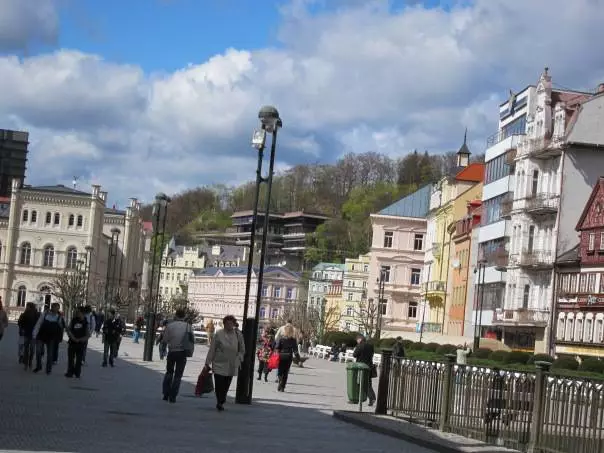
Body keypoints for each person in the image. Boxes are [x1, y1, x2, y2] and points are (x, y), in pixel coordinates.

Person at [204, 315, 245, 411]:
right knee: (219, 383)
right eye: (227, 323)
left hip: (231, 363)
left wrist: (239, 358)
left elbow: (242, 349)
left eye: (231, 323)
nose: (229, 325)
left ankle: (222, 397)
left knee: (226, 383)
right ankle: (219, 400)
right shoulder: (218, 334)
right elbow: (212, 349)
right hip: (219, 362)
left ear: (234, 324)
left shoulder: (238, 334)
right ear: (224, 324)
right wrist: (207, 362)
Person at [160, 308, 192, 403]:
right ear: (184, 316)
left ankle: (166, 393)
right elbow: (191, 340)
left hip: (172, 352)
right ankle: (173, 396)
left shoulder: (170, 326)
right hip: (182, 353)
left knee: (169, 372)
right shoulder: (188, 326)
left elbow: (165, 340)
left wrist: (163, 350)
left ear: (176, 315)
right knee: (178, 375)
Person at [33, 303, 65, 374]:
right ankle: (39, 366)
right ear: (52, 307)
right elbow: (39, 323)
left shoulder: (59, 317)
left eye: (57, 308)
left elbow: (61, 328)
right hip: (41, 335)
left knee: (50, 354)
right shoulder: (45, 314)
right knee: (38, 351)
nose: (56, 310)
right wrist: (34, 334)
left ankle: (48, 369)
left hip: (51, 337)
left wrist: (60, 337)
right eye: (55, 308)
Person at [65, 306, 90, 378]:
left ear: (82, 313)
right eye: (76, 312)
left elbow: (88, 334)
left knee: (79, 360)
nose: (77, 313)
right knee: (70, 359)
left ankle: (77, 373)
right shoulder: (73, 320)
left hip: (81, 343)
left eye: (78, 312)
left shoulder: (86, 322)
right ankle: (70, 372)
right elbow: (69, 330)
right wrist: (72, 337)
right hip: (72, 342)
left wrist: (81, 339)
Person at [353, 334, 376, 406]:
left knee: (359, 382)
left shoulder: (359, 345)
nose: (357, 341)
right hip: (369, 366)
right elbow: (372, 355)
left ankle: (357, 399)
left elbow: (355, 355)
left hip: (360, 367)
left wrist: (356, 349)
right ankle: (372, 398)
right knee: (368, 383)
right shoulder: (370, 346)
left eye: (357, 340)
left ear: (359, 339)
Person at [275, 324, 298, 392]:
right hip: (289, 357)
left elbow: (277, 347)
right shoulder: (293, 340)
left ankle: (280, 381)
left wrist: (277, 352)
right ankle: (283, 387)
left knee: (280, 371)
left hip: (281, 356)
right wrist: (298, 359)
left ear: (284, 330)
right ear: (292, 331)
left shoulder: (282, 339)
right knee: (285, 372)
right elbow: (295, 350)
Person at [18, 303, 38, 369]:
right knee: (27, 349)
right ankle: (27, 362)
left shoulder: (36, 314)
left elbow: (38, 324)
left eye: (28, 306)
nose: (27, 307)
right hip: (28, 334)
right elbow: (20, 323)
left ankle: (29, 362)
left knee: (30, 349)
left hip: (32, 334)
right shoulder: (25, 314)